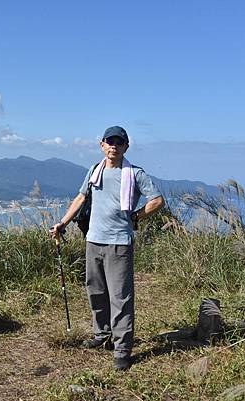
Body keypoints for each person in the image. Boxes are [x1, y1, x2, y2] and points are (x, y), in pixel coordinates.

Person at [50, 126, 164, 371]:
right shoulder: (94, 170)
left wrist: (135, 216)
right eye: (110, 141)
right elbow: (80, 198)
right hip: (94, 239)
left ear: (126, 146)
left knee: (120, 296)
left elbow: (157, 200)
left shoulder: (134, 173)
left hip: (119, 243)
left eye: (119, 142)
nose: (114, 145)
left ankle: (122, 348)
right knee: (96, 290)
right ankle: (102, 335)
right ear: (102, 144)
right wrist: (63, 222)